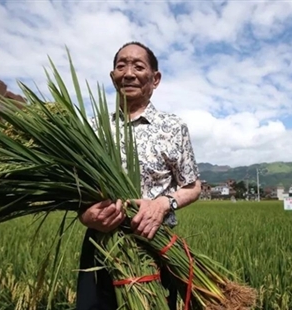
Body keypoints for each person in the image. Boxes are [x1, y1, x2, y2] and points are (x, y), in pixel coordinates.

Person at [76, 41, 202, 310]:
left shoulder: (173, 127)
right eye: (121, 66)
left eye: (138, 66)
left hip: (154, 244)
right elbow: (76, 189)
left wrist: (162, 204)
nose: (129, 73)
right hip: (101, 244)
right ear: (113, 77)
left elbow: (192, 186)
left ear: (155, 79)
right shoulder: (94, 129)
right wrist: (85, 215)